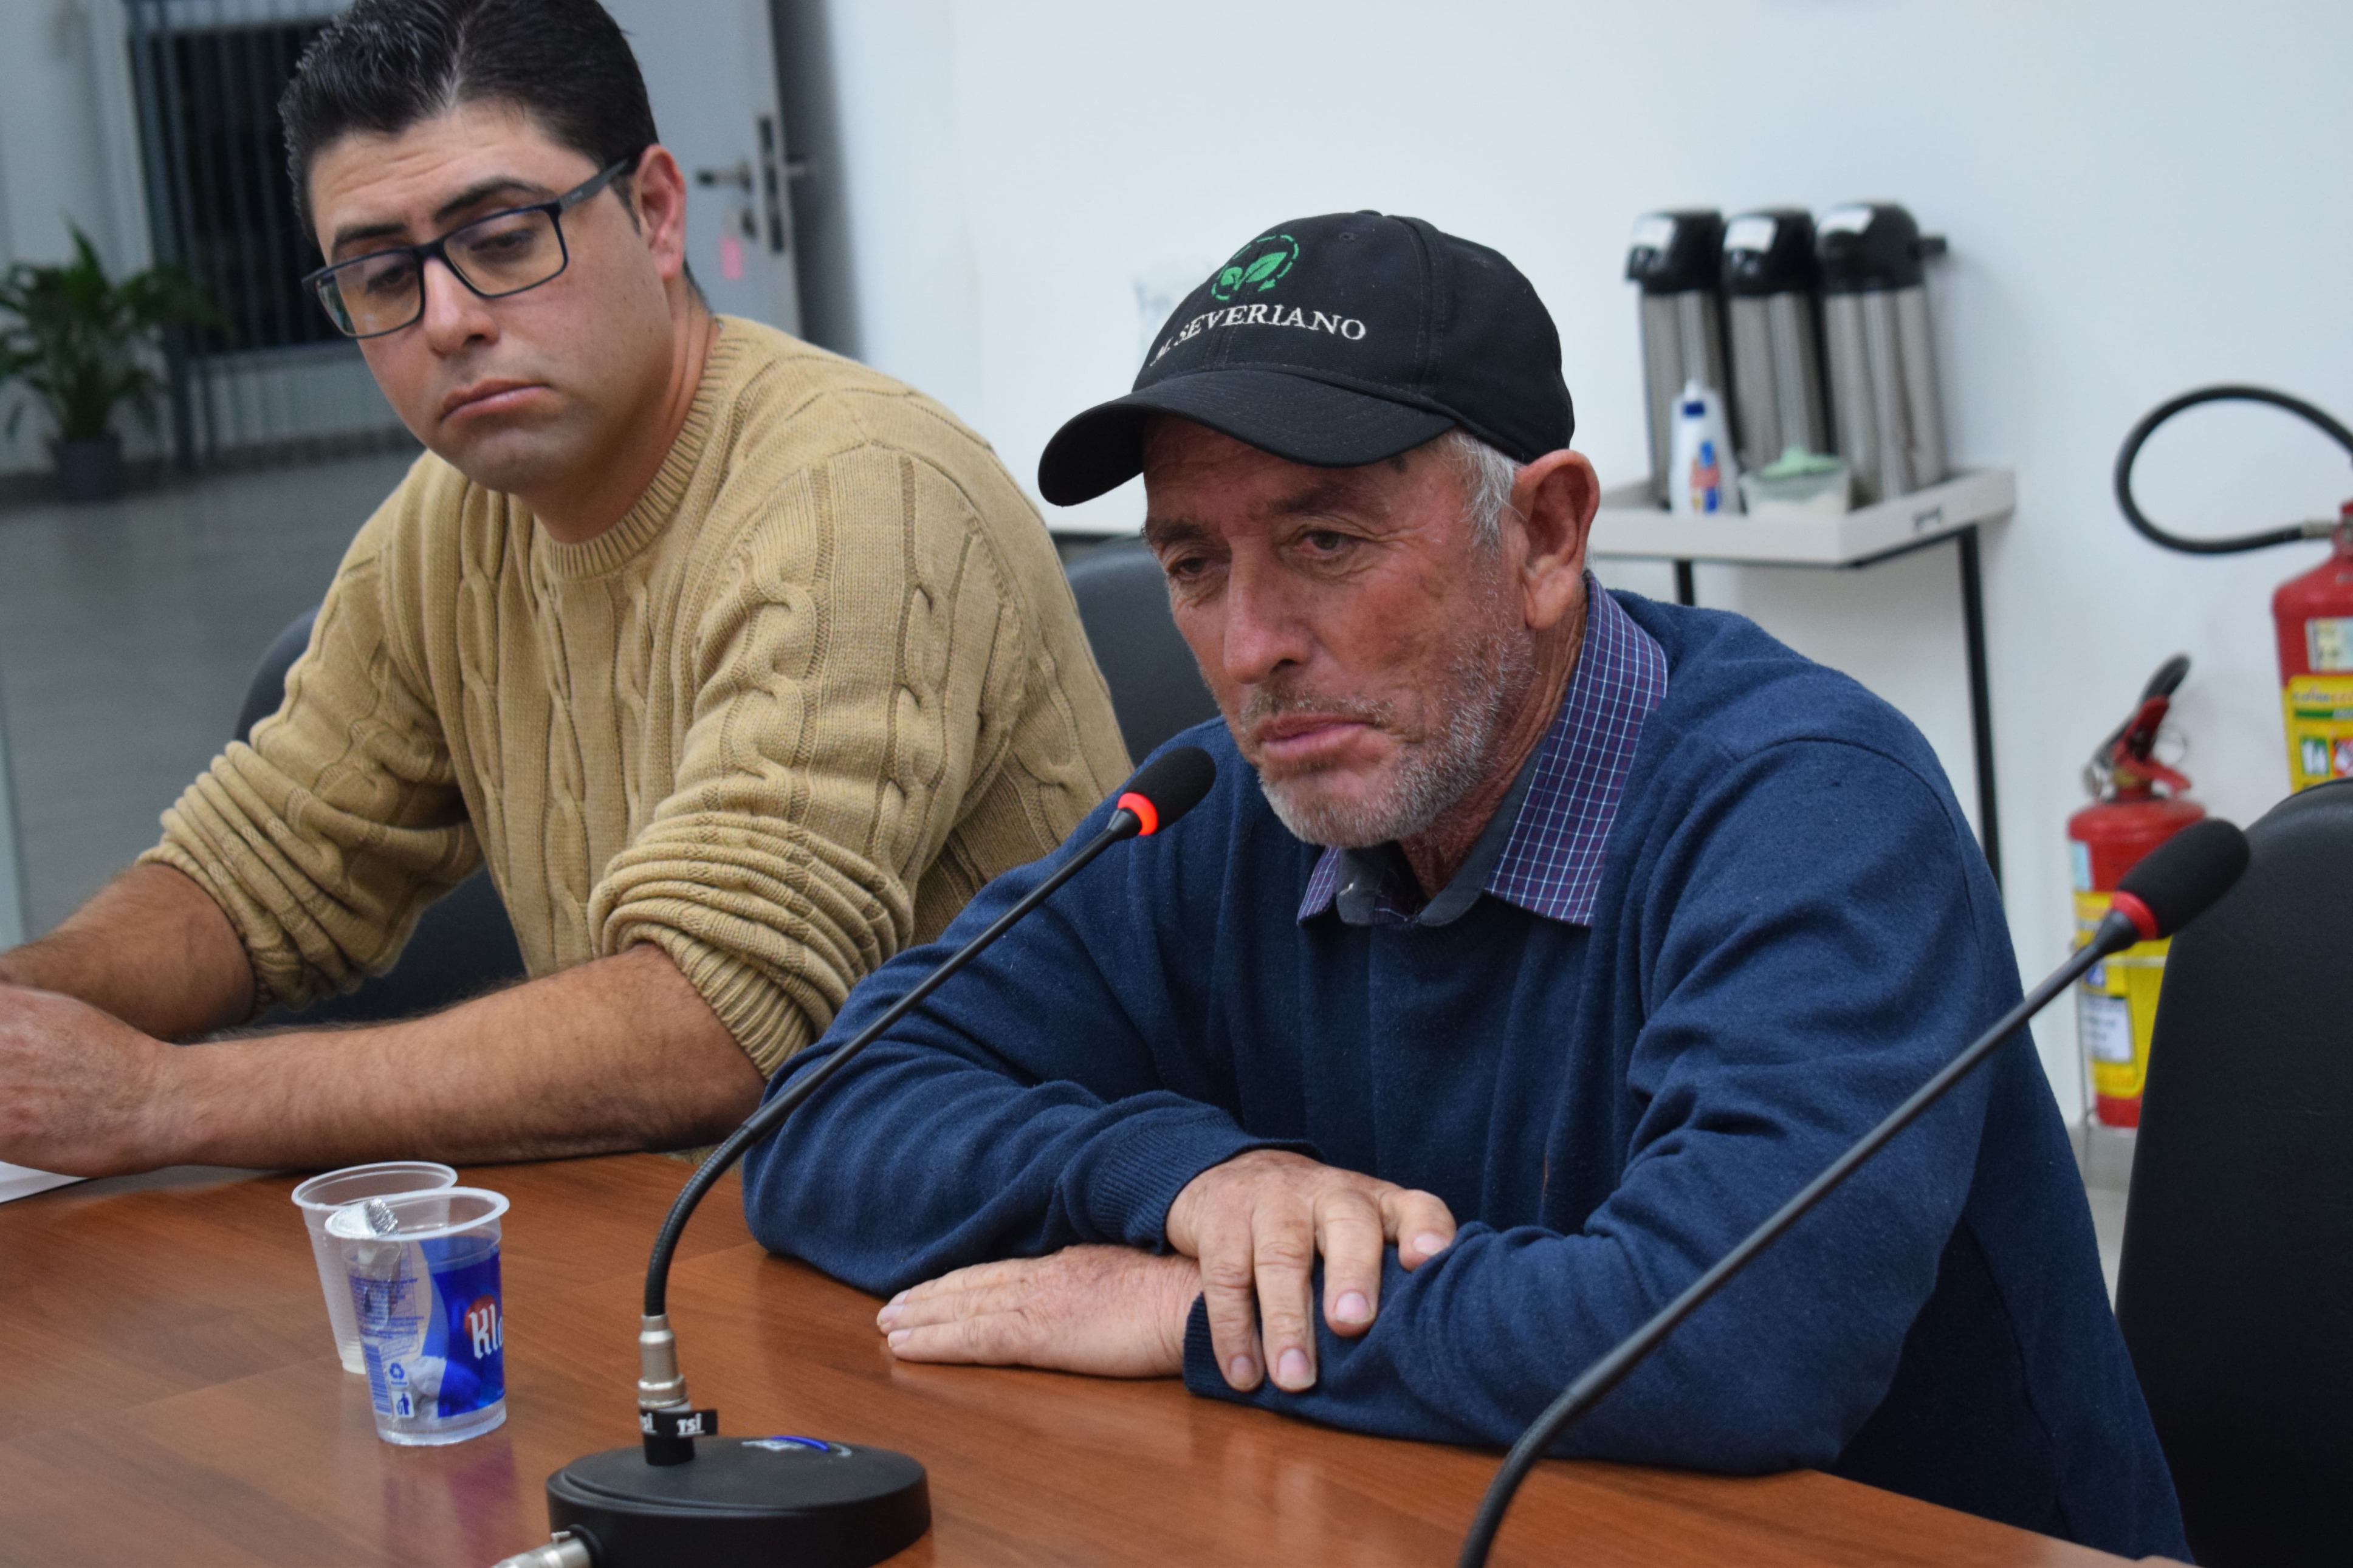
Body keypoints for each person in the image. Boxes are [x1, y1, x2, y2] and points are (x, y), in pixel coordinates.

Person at [740, 212, 2188, 1558]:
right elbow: (821, 1114)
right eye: (1192, 562)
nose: (1250, 646)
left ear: (1547, 537)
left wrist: (1195, 1308)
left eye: (1324, 542)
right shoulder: (1222, 807)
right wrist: (1187, 1177)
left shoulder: (1812, 806)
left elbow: (1734, 1339)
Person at [0, 0, 1125, 1177]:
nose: (448, 321)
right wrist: (28, 1007)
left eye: (502, 237)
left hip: (1020, 1228)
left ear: (653, 213)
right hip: (698, 1222)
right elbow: (258, 874)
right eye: (381, 275)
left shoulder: (858, 492)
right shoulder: (447, 525)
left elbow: (709, 1026)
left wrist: (161, 1100)